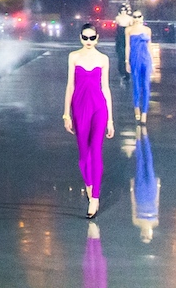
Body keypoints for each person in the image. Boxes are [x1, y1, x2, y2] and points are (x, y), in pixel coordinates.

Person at [63, 21, 116, 218]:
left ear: (97, 38)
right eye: (85, 37)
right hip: (79, 107)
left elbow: (106, 88)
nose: (88, 41)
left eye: (92, 37)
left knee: (96, 151)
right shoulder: (73, 57)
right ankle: (88, 183)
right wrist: (66, 113)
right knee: (83, 154)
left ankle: (95, 197)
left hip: (99, 108)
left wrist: (110, 119)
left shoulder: (103, 59)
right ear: (80, 38)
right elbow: (70, 86)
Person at [125, 7, 155, 124]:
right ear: (133, 18)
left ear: (142, 17)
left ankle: (144, 113)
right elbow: (127, 46)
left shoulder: (147, 30)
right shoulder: (128, 30)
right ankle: (136, 108)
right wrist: (127, 61)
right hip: (134, 58)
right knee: (136, 85)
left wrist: (152, 62)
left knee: (146, 85)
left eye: (139, 16)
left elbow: (150, 46)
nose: (137, 19)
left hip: (145, 58)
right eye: (135, 17)